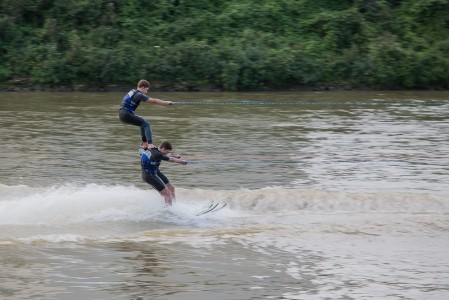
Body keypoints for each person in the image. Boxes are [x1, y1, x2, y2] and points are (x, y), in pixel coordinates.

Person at [119, 80, 173, 149]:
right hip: (126, 114)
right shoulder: (139, 95)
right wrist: (166, 102)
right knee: (147, 124)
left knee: (142, 124)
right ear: (143, 87)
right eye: (146, 90)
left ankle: (145, 144)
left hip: (122, 114)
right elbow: (154, 101)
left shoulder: (132, 91)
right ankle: (150, 144)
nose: (146, 92)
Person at [139, 141, 187, 206]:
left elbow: (164, 155)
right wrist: (181, 161)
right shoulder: (156, 153)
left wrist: (174, 156)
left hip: (155, 173)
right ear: (163, 149)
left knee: (171, 188)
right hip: (149, 175)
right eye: (167, 151)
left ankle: (174, 206)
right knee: (167, 194)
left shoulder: (156, 150)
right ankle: (168, 212)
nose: (167, 153)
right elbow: (170, 159)